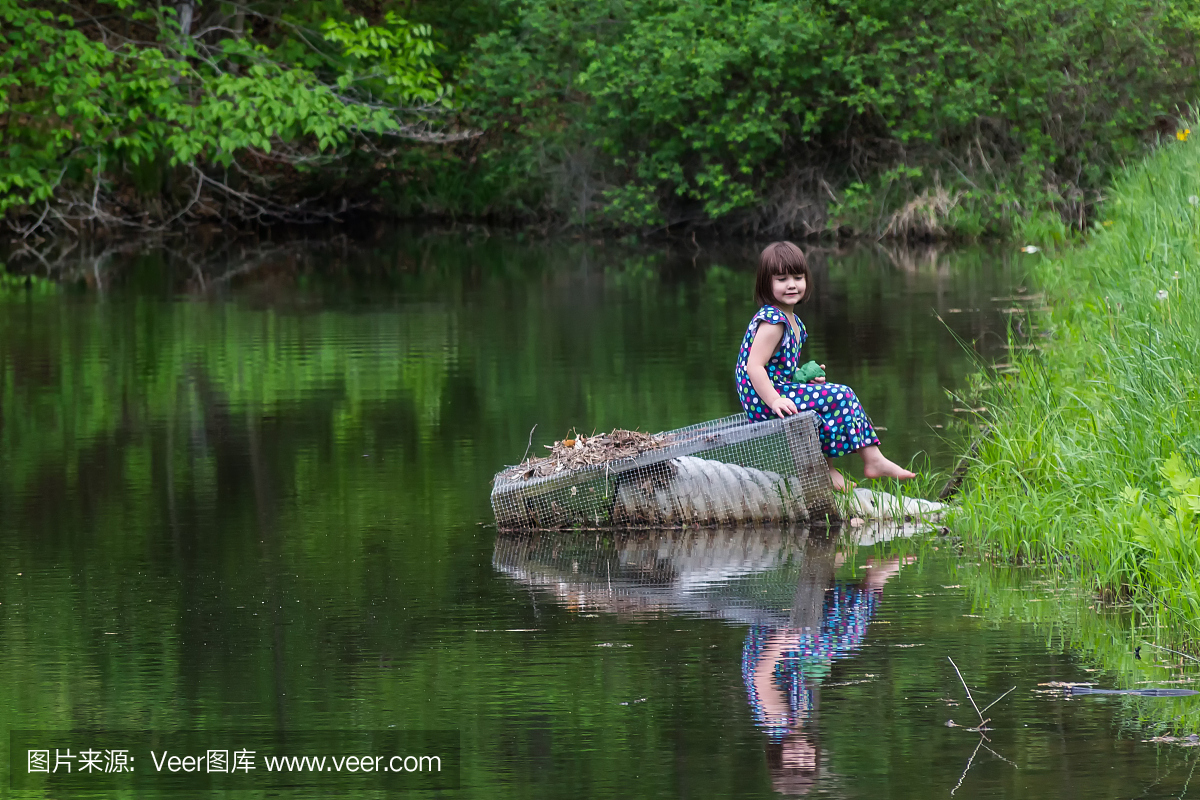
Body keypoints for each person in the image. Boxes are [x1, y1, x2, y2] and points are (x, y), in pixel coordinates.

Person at [735, 241, 915, 490]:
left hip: (775, 389)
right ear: (766, 283)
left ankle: (831, 470)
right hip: (763, 399)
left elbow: (778, 368)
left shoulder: (794, 321)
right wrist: (775, 400)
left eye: (798, 277)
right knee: (842, 395)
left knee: (828, 400)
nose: (791, 284)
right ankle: (868, 461)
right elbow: (754, 368)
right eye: (782, 278)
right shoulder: (773, 322)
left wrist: (802, 379)